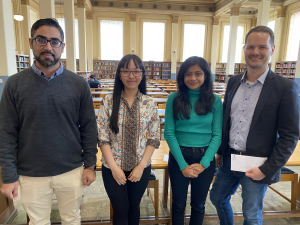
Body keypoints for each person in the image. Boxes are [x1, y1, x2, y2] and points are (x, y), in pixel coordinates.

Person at [0, 18, 98, 225]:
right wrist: (8, 175)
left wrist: (90, 165)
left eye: (54, 42)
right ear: (31, 42)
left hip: (71, 169)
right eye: (41, 40)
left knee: (72, 218)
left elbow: (89, 128)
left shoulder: (79, 84)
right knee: (38, 222)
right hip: (31, 173)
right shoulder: (14, 84)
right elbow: (6, 132)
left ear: (62, 46)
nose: (48, 47)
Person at [210, 26, 300, 225]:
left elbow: (290, 136)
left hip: (258, 165)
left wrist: (267, 169)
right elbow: (227, 121)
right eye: (250, 47)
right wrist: (220, 151)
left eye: (262, 47)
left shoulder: (285, 87)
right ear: (244, 49)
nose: (255, 52)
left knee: (251, 214)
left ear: (272, 49)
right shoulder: (233, 82)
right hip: (229, 159)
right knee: (217, 197)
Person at [97, 54, 160, 225]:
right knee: (120, 208)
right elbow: (102, 137)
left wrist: (141, 166)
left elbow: (154, 138)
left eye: (136, 71)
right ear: (119, 74)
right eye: (126, 71)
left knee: (134, 206)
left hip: (140, 167)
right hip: (112, 167)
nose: (131, 76)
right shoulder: (108, 101)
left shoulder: (149, 103)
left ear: (142, 74)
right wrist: (114, 168)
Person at [164, 56, 223, 225]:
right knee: (178, 205)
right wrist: (182, 165)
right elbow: (169, 133)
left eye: (198, 73)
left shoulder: (215, 100)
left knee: (198, 205)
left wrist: (204, 163)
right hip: (178, 156)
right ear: (182, 76)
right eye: (188, 74)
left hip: (205, 158)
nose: (193, 78)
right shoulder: (173, 98)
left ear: (206, 76)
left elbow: (217, 135)